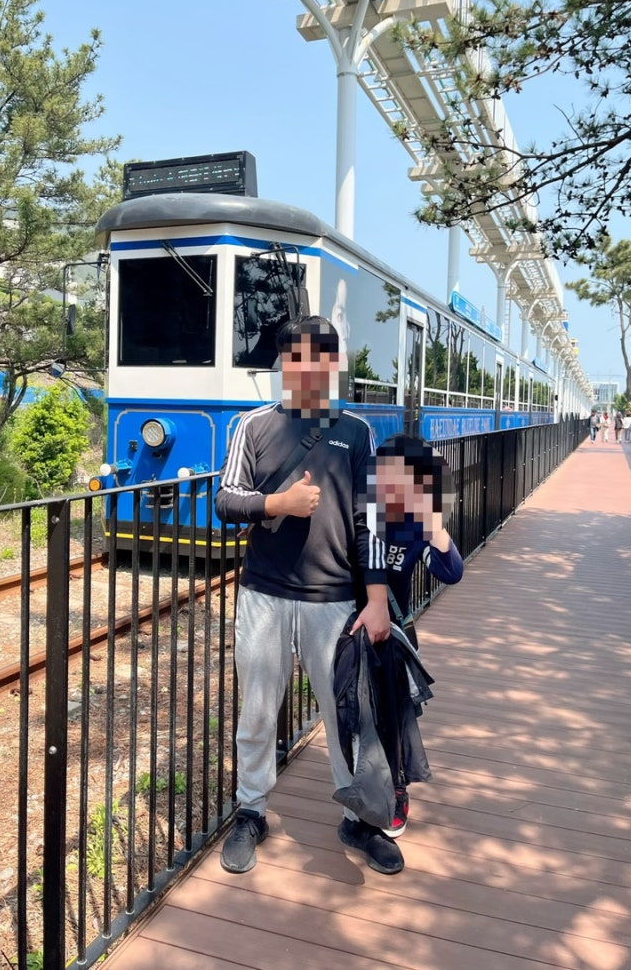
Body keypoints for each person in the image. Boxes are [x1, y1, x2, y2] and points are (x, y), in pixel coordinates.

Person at [214, 315, 401, 875]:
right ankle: (251, 811)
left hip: (336, 601)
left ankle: (362, 817)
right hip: (265, 594)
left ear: (333, 363)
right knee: (257, 709)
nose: (310, 368)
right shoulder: (253, 427)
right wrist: (276, 505)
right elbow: (225, 502)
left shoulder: (358, 433)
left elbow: (372, 523)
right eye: (298, 357)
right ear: (284, 363)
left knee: (349, 712)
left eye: (322, 357)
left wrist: (376, 598)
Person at [371, 435, 464, 838]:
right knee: (358, 716)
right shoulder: (362, 516)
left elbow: (451, 571)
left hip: (392, 637)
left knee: (393, 715)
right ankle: (362, 786)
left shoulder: (415, 527)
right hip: (350, 629)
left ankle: (396, 788)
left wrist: (434, 524)